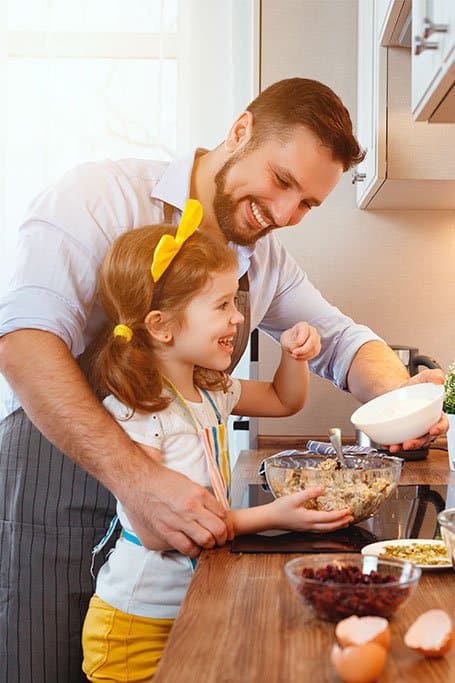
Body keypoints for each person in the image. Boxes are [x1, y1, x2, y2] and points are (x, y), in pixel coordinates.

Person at [0, 77, 446, 683]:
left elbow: (341, 341)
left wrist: (407, 403)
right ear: (240, 132)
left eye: (308, 205)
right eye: (283, 181)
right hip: (58, 471)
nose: (286, 215)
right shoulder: (98, 195)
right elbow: (24, 342)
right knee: (43, 664)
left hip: (176, 525)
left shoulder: (264, 259)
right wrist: (138, 478)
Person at [81, 199, 353, 681]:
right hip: (134, 628)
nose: (236, 319)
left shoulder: (209, 388)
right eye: (222, 305)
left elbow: (281, 400)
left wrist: (294, 356)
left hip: (187, 604)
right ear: (161, 326)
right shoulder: (138, 409)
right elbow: (158, 529)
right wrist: (269, 517)